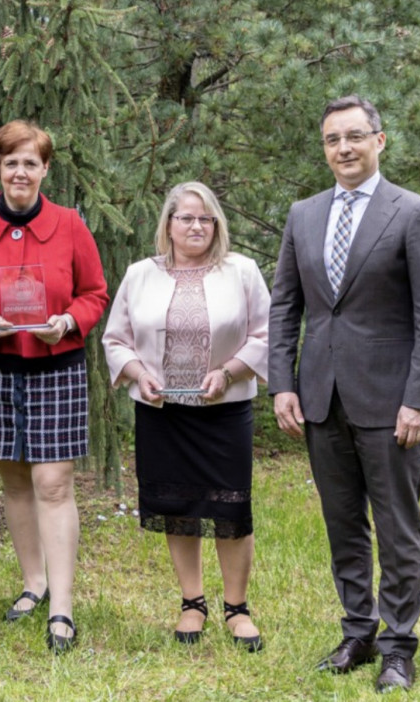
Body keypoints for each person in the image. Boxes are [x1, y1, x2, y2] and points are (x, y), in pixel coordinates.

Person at [268, 95, 420, 692]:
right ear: (324, 149)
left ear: (380, 140)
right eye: (332, 140)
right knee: (342, 520)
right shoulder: (303, 215)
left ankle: (399, 646)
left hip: (391, 400)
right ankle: (358, 631)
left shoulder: (414, 213)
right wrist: (282, 385)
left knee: (398, 525)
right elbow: (285, 310)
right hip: (320, 395)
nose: (343, 148)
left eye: (354, 136)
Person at [0, 120, 109, 653]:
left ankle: (61, 604)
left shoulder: (70, 225)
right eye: (11, 161)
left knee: (54, 485)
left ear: (45, 169)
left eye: (30, 163)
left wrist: (67, 322)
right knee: (14, 483)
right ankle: (32, 582)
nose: (20, 171)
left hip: (54, 366)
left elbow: (94, 293)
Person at [102, 182, 269, 652]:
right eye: (186, 218)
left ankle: (237, 609)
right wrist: (137, 373)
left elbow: (266, 331)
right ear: (168, 225)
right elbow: (116, 339)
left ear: (217, 226)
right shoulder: (140, 274)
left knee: (230, 506)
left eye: (205, 218)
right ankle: (192, 603)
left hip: (225, 409)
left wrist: (229, 371)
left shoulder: (242, 271)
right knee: (178, 508)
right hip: (162, 412)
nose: (196, 226)